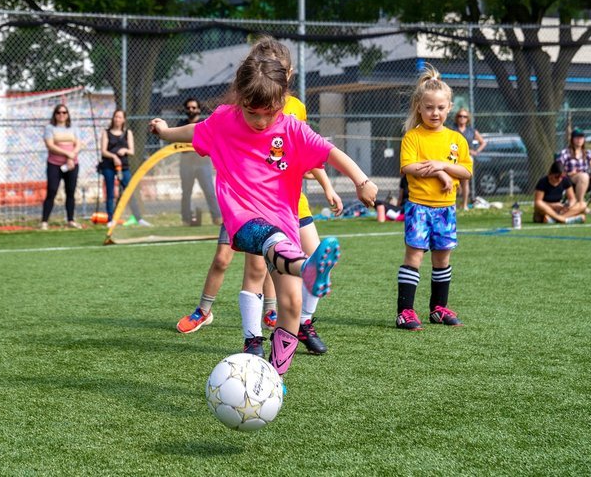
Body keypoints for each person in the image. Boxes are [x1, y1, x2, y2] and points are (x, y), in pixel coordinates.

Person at [150, 45, 377, 376]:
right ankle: (306, 269)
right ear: (240, 98)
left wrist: (361, 180)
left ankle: (274, 376)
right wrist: (165, 131)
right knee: (270, 244)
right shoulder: (223, 121)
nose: (260, 120)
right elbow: (190, 132)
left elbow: (330, 152)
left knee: (291, 304)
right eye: (252, 112)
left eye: (268, 112)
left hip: (283, 222)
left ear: (283, 100)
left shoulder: (292, 128)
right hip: (243, 219)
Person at [175, 39, 344, 356]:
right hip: (250, 207)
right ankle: (252, 339)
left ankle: (302, 324)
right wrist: (169, 132)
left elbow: (311, 151)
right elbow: (203, 131)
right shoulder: (237, 113)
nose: (263, 118)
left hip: (292, 205)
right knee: (256, 271)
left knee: (303, 278)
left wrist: (327, 184)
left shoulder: (294, 112)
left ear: (287, 73)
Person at [395, 65, 473, 331]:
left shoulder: (456, 139)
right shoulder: (413, 137)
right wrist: (438, 170)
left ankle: (438, 308)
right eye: (429, 108)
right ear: (419, 107)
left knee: (442, 259)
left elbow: (466, 171)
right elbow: (408, 167)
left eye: (440, 108)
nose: (435, 113)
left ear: (449, 107)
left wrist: (442, 165)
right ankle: (404, 312)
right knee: (414, 257)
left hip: (446, 210)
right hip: (419, 208)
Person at [98, 108, 150, 226]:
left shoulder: (128, 133)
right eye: (116, 116)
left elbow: (131, 151)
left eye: (120, 117)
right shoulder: (106, 133)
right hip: (109, 166)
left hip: (124, 166)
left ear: (124, 120)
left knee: (129, 191)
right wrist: (113, 157)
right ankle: (111, 219)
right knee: (110, 192)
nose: (117, 119)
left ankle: (138, 218)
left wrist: (124, 150)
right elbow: (103, 151)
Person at [178, 98, 222, 226]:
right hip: (186, 163)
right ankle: (186, 219)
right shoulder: (181, 124)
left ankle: (217, 217)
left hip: (202, 163)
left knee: (209, 190)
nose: (191, 110)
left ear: (198, 109)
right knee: (186, 192)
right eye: (189, 108)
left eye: (193, 107)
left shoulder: (204, 123)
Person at [40, 103, 83, 230]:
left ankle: (70, 220)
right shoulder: (49, 128)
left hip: (72, 165)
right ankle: (44, 221)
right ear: (55, 115)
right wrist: (67, 153)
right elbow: (50, 145)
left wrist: (71, 157)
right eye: (59, 112)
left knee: (70, 192)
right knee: (52, 190)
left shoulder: (74, 128)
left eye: (64, 112)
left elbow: (79, 144)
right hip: (54, 164)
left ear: (68, 114)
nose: (61, 115)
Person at [453, 109, 486, 209]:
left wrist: (476, 151)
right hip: (454, 157)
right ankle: (452, 204)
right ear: (457, 117)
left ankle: (464, 204)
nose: (462, 118)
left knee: (465, 182)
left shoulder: (471, 131)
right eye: (460, 116)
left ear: (468, 119)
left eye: (465, 116)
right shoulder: (452, 130)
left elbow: (483, 142)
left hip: (466, 158)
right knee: (454, 181)